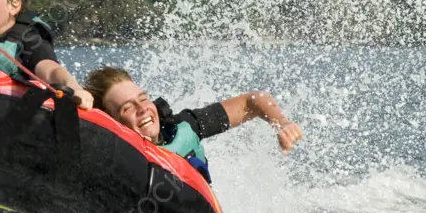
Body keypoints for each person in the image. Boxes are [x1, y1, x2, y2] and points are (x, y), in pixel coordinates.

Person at [84, 67, 303, 181]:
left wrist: (282, 124)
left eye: (143, 99)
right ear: (111, 121)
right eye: (127, 108)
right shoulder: (105, 155)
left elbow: (253, 101)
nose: (143, 109)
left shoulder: (185, 126)